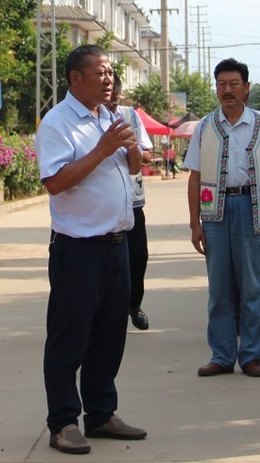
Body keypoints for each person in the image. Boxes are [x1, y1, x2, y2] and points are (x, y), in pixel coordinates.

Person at [35, 44, 147, 455]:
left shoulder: (111, 116)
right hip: (78, 249)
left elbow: (133, 168)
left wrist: (129, 145)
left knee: (109, 336)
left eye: (111, 72)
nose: (108, 79)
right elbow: (55, 182)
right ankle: (63, 421)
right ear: (74, 78)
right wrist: (102, 149)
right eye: (99, 72)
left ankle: (101, 414)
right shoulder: (58, 123)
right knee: (69, 338)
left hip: (118, 244)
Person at [184, 58, 260, 379]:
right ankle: (222, 355)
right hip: (215, 213)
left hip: (252, 210)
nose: (227, 90)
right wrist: (194, 222)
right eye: (221, 84)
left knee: (251, 286)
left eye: (233, 84)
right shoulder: (204, 126)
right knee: (219, 289)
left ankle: (251, 355)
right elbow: (194, 177)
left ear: (246, 88)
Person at [106, 73, 153, 332]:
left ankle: (134, 305)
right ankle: (109, 311)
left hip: (132, 201)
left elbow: (146, 154)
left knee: (138, 257)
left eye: (116, 99)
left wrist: (130, 148)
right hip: (103, 203)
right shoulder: (88, 118)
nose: (112, 104)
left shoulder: (130, 116)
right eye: (108, 100)